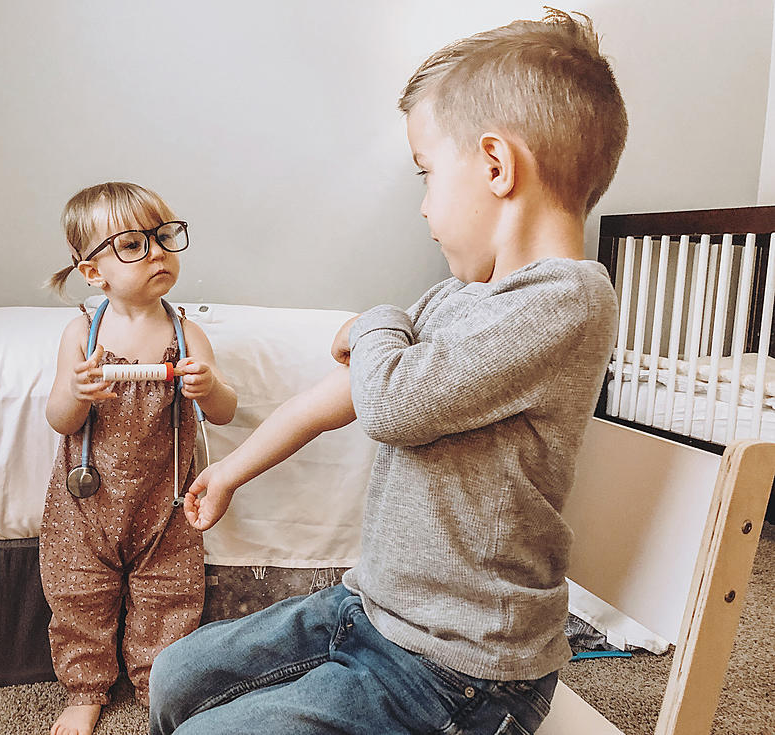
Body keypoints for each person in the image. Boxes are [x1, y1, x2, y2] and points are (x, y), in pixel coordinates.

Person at [148, 8, 626, 735]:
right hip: (369, 611)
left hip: (460, 673)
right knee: (176, 676)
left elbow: (391, 401)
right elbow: (343, 395)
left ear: (496, 166)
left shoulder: (569, 300)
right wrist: (232, 469)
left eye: (427, 176)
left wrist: (373, 318)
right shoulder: (452, 299)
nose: (426, 208)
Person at [40, 181, 237, 735]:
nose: (156, 252)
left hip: (165, 496)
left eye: (163, 236)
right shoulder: (83, 333)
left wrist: (208, 387)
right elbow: (60, 418)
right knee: (77, 590)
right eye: (131, 244)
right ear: (93, 272)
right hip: (88, 497)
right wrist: (78, 392)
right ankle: (84, 690)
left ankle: (160, 683)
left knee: (170, 591)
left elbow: (223, 412)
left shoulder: (186, 333)